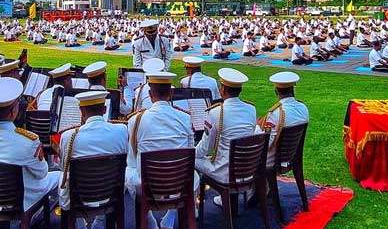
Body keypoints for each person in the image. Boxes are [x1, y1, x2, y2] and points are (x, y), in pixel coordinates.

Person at [0, 78, 61, 214]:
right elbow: (41, 173)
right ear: (12, 112)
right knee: (61, 176)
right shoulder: (28, 141)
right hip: (21, 200)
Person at [126, 71, 195, 229]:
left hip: (147, 186)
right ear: (171, 93)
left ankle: (149, 218)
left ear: (150, 94)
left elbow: (131, 160)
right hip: (180, 184)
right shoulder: (185, 118)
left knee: (129, 169)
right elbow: (191, 152)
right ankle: (167, 217)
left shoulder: (135, 120)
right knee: (191, 172)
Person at [58, 91, 128, 220]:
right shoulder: (122, 130)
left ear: (82, 112)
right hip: (112, 193)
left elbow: (63, 168)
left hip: (80, 196)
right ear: (105, 109)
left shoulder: (69, 136)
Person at [195, 68, 260, 189]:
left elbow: (205, 148)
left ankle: (195, 199)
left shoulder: (216, 112)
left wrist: (190, 153)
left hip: (225, 172)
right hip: (247, 168)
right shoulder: (251, 108)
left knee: (192, 159)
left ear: (223, 89)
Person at [261, 72, 309, 169]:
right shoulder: (303, 107)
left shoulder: (276, 113)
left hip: (272, 161)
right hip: (292, 156)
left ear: (276, 91)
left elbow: (268, 143)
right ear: (292, 89)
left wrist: (257, 129)